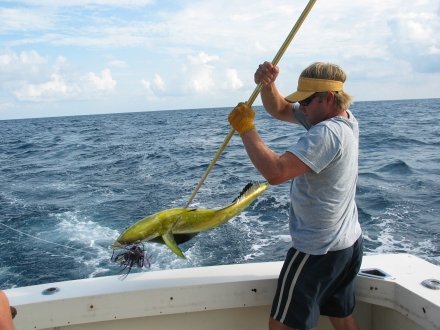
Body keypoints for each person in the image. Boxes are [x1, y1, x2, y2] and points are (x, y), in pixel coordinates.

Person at [228, 61, 363, 330]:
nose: (300, 108)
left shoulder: (327, 132)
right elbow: (278, 108)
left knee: (282, 325)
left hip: (318, 251)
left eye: (306, 102)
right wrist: (268, 85)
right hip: (347, 244)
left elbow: (276, 172)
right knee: (341, 316)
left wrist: (246, 129)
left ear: (327, 98)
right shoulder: (342, 118)